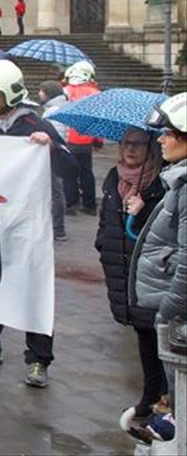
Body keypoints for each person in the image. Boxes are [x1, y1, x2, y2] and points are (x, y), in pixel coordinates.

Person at [0, 60, 76, 388]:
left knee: (33, 289)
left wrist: (49, 148)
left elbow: (70, 169)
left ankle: (39, 360)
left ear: (10, 93)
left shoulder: (35, 126)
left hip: (30, 222)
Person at [96, 127, 167, 440]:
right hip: (122, 269)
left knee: (158, 334)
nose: (131, 150)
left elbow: (165, 233)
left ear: (151, 148)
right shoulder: (114, 176)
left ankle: (165, 401)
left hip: (151, 273)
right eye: (126, 144)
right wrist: (103, 244)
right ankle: (153, 395)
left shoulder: (164, 181)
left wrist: (144, 210)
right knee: (143, 333)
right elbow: (106, 217)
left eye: (139, 144)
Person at [129, 93, 187, 445]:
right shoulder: (176, 179)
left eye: (168, 132)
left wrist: (168, 313)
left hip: (174, 313)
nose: (161, 139)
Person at [62, 61, 102, 214]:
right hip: (86, 139)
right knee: (87, 172)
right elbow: (98, 119)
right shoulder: (95, 93)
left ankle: (71, 204)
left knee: (69, 173)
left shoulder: (65, 91)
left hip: (68, 138)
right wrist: (98, 140)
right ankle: (90, 205)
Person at [38, 80, 71, 241]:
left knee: (55, 192)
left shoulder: (54, 111)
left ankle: (58, 229)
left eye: (41, 91)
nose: (39, 94)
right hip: (54, 154)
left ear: (48, 93)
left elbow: (55, 135)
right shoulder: (57, 107)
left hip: (52, 156)